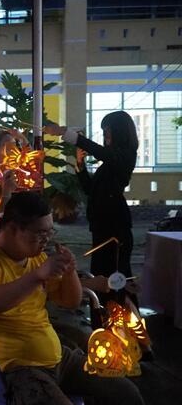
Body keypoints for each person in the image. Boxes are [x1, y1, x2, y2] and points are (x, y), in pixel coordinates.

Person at [0, 192, 145, 405]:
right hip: (13, 368)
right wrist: (37, 277)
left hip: (57, 359)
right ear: (12, 228)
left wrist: (69, 273)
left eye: (49, 233)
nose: (45, 240)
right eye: (39, 234)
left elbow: (70, 301)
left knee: (128, 398)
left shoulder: (35, 259)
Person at [45, 112, 139, 289]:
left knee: (116, 276)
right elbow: (90, 189)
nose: (105, 135)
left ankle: (120, 312)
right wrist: (80, 165)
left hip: (115, 225)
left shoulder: (125, 155)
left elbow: (101, 152)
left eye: (108, 131)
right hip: (102, 224)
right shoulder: (109, 163)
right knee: (100, 272)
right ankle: (102, 311)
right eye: (104, 131)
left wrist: (66, 132)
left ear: (119, 132)